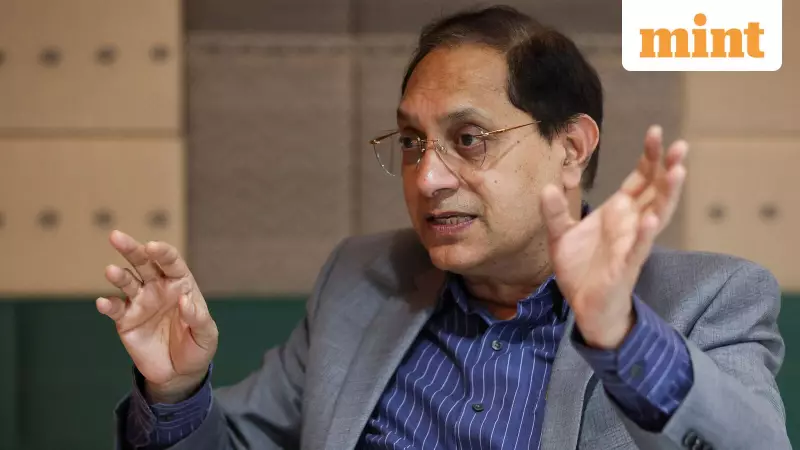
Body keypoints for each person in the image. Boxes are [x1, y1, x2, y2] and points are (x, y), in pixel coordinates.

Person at [99, 5, 790, 450]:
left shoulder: (708, 297)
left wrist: (623, 336)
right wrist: (176, 390)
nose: (426, 179)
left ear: (571, 148)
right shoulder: (361, 281)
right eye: (411, 142)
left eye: (468, 139)